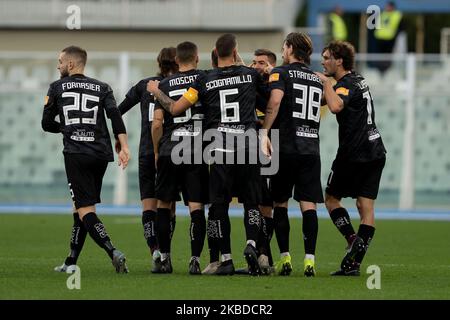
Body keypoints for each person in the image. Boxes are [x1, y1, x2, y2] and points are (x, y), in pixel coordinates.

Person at [148, 33, 267, 276]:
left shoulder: (205, 80)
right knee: (252, 202)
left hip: (220, 148)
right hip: (248, 145)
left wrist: (157, 91)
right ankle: (253, 245)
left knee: (218, 205)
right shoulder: (251, 75)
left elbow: (175, 107)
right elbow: (268, 103)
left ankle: (225, 259)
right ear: (235, 52)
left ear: (214, 54)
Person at [42, 46, 130, 274]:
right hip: (100, 153)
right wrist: (124, 145)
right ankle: (71, 261)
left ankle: (113, 252)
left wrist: (67, 128)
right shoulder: (102, 87)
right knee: (79, 208)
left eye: (60, 61)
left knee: (85, 209)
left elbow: (46, 123)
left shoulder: (56, 87)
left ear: (71, 64)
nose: (58, 65)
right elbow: (115, 117)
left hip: (76, 154)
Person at [316, 40, 386, 276]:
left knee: (331, 199)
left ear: (339, 60)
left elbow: (335, 106)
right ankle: (353, 264)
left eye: (326, 57)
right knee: (365, 207)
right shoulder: (358, 79)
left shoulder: (344, 84)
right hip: (375, 150)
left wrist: (325, 82)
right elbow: (327, 99)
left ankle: (352, 239)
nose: (323, 61)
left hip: (354, 154)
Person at [261, 32, 323, 277]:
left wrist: (264, 131)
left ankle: (285, 258)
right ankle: (310, 260)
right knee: (309, 205)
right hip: (310, 149)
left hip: (284, 146)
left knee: (280, 203)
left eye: (284, 47)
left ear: (289, 48)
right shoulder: (316, 78)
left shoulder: (281, 73)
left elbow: (275, 102)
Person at [117, 47, 178, 272]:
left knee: (148, 208)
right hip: (172, 153)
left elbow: (117, 110)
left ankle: (154, 251)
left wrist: (119, 137)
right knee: (168, 208)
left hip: (145, 152)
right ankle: (165, 255)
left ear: (158, 63)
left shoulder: (145, 85)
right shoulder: (182, 84)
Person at [151, 41, 208, 274]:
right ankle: (195, 259)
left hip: (169, 149)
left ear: (176, 60)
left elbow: (157, 123)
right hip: (196, 147)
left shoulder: (162, 84)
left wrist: (156, 151)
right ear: (196, 58)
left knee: (164, 205)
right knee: (196, 206)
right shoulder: (204, 79)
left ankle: (165, 258)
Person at [373, 1, 403, 73]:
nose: (387, 8)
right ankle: (380, 70)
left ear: (393, 7)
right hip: (380, 38)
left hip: (390, 39)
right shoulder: (383, 14)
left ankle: (386, 70)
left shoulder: (397, 15)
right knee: (380, 56)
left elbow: (401, 27)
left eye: (388, 6)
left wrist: (395, 35)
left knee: (388, 56)